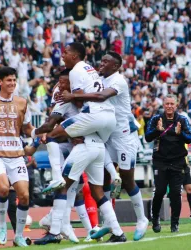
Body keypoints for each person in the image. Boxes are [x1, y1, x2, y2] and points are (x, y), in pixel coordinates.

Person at [34, 43, 126, 244]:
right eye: (59, 83)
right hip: (99, 138)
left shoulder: (74, 78)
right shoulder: (88, 70)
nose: (60, 86)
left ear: (75, 56)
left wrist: (34, 133)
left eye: (62, 83)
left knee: (63, 182)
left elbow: (71, 109)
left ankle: (55, 231)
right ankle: (118, 232)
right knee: (96, 190)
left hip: (91, 130)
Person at [58, 51, 149, 240]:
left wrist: (73, 96)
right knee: (104, 178)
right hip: (105, 133)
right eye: (102, 60)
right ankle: (110, 223)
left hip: (123, 136)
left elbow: (101, 97)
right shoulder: (98, 78)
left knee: (127, 178)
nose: (102, 63)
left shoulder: (119, 81)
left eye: (107, 61)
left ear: (116, 66)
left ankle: (141, 219)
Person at [0, 66, 35, 247]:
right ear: (0, 82)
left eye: (14, 80)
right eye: (8, 80)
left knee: (24, 196)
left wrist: (38, 133)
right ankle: (2, 227)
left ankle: (18, 236)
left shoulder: (22, 102)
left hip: (16, 155)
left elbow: (27, 128)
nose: (12, 83)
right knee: (3, 189)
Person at [145, 94, 191, 233]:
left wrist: (180, 134)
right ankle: (155, 220)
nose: (169, 106)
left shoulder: (182, 119)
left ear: (176, 105)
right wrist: (157, 131)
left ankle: (175, 223)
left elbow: (189, 138)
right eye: (167, 104)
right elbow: (148, 137)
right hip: (160, 161)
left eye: (172, 104)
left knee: (175, 193)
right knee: (159, 192)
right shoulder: (156, 119)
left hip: (178, 162)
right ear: (163, 105)